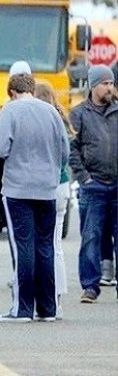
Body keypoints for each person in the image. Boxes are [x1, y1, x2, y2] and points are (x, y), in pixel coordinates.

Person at [0, 73, 68, 322]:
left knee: (23, 245)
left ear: (11, 92)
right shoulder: (51, 112)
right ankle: (48, 308)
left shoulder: (10, 111)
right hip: (47, 187)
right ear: (32, 89)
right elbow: (64, 150)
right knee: (46, 247)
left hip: (17, 189)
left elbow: (0, 148)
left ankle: (22, 308)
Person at [69, 65, 117, 303]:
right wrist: (84, 178)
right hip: (93, 185)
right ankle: (90, 286)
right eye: (105, 84)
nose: (110, 88)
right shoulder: (79, 113)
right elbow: (72, 148)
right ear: (93, 85)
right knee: (90, 237)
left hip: (116, 185)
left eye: (111, 83)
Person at [35, 81, 72, 315]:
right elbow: (66, 153)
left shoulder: (40, 122)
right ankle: (57, 298)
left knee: (44, 245)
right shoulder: (60, 118)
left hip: (45, 186)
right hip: (62, 183)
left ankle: (49, 296)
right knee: (56, 245)